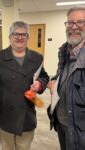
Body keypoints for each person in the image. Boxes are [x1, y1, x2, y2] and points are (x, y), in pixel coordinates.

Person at [0, 21, 49, 150]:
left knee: (24, 147)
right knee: (6, 147)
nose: (19, 37)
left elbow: (44, 76)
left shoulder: (37, 57)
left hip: (27, 112)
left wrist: (40, 84)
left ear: (28, 37)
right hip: (5, 112)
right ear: (10, 37)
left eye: (23, 34)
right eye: (16, 34)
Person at [48, 6, 85, 150]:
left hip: (80, 129)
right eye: (70, 23)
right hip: (62, 123)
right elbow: (62, 74)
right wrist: (55, 82)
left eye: (80, 22)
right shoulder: (65, 51)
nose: (74, 27)